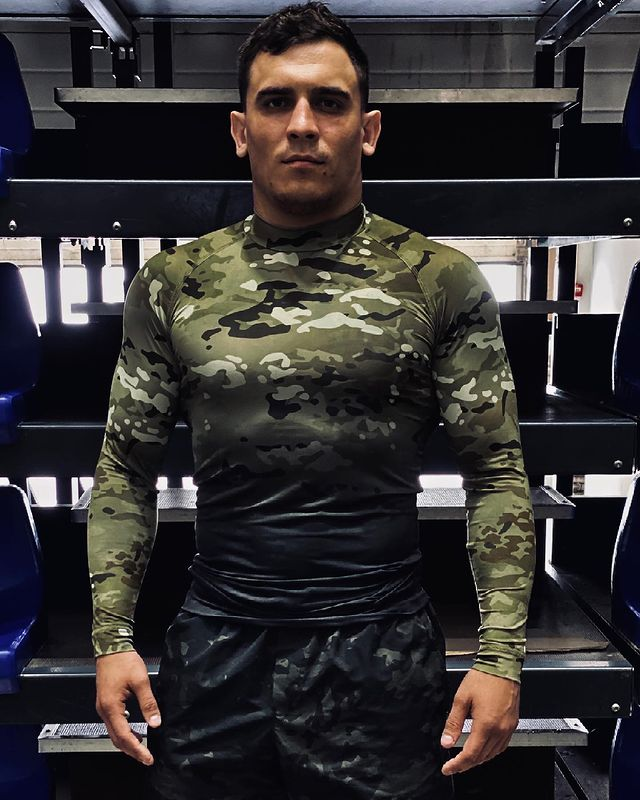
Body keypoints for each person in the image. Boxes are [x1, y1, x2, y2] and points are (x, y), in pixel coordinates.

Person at [88, 3, 537, 798]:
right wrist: (111, 637)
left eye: (329, 102)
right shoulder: (172, 284)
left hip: (381, 651)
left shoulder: (441, 280)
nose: (302, 125)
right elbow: (126, 468)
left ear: (368, 129)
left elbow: (495, 472)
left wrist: (501, 656)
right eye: (276, 102)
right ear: (241, 130)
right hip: (218, 644)